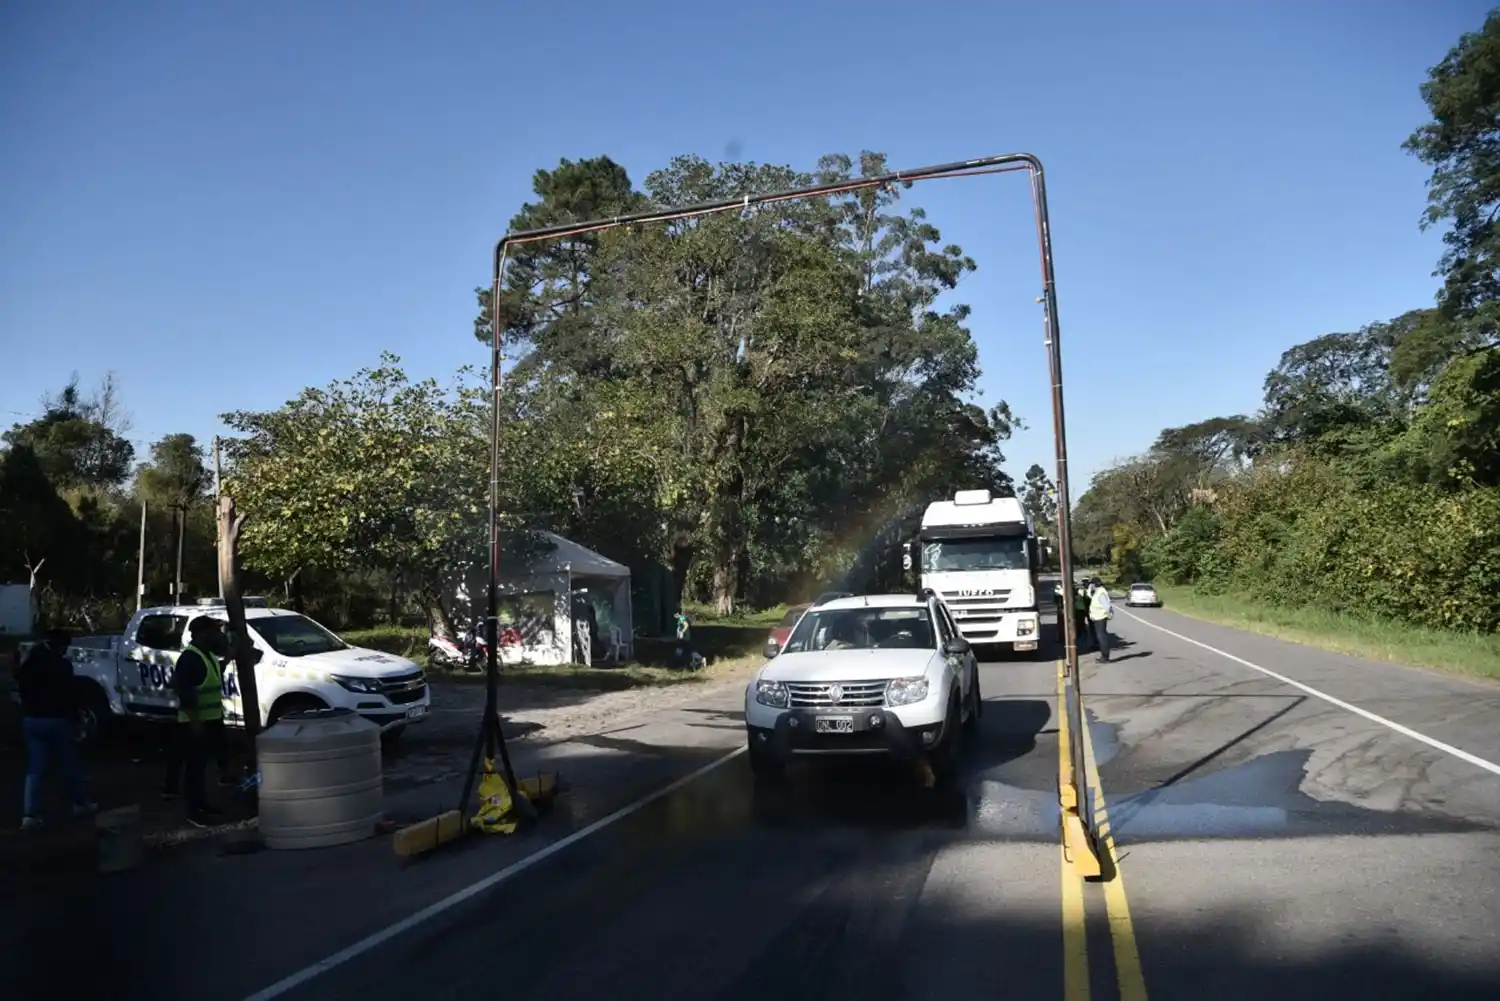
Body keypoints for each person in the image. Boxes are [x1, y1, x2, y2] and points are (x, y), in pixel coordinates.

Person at [16, 627, 96, 830]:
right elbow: (71, 695)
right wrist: (77, 719)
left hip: (32, 719)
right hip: (58, 720)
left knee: (35, 769)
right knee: (70, 764)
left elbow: (20, 684)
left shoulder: (31, 662)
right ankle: (80, 803)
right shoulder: (62, 666)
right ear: (61, 647)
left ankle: (30, 814)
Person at [165, 617, 239, 827]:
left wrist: (234, 650)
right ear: (202, 634)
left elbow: (219, 668)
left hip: (211, 720)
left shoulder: (206, 655)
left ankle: (203, 804)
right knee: (194, 768)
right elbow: (184, 691)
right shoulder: (190, 658)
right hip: (195, 723)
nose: (217, 635)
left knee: (203, 766)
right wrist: (195, 723)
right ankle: (194, 811)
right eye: (214, 631)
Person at [1087, 577, 1114, 663]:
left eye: (1091, 584)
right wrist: (1089, 589)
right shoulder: (1097, 592)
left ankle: (1105, 656)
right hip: (1097, 617)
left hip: (1100, 618)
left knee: (1102, 637)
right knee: (1101, 636)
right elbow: (1090, 596)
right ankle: (1104, 655)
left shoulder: (1101, 593)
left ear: (1095, 584)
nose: (1090, 585)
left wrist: (1110, 614)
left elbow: (1107, 606)